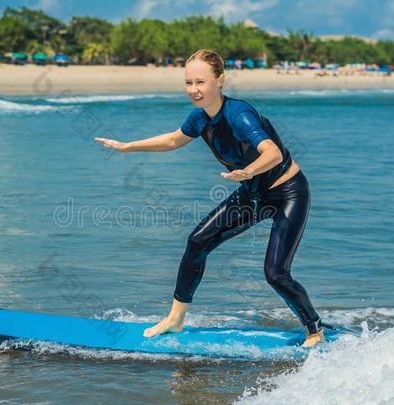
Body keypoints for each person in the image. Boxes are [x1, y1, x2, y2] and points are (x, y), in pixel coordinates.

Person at [95, 49, 326, 347]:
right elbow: (174, 139)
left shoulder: (239, 114)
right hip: (253, 193)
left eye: (201, 82)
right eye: (188, 82)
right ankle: (176, 318)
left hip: (288, 192)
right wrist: (128, 147)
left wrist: (248, 171)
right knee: (197, 241)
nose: (194, 90)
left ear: (220, 81)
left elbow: (273, 152)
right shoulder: (199, 118)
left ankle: (314, 330)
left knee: (275, 273)